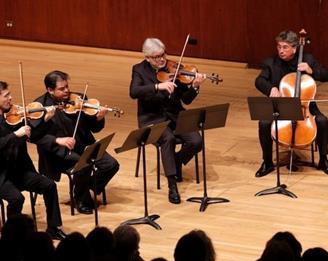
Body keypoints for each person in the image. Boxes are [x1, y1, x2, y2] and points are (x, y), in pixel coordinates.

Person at [130, 38, 205, 204]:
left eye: (163, 54)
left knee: (197, 141)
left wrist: (195, 87)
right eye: (156, 57)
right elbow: (134, 92)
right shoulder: (139, 70)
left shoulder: (175, 68)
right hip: (152, 118)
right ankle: (172, 186)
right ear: (147, 57)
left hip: (175, 115)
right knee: (168, 139)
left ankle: (176, 161)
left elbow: (186, 100)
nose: (162, 59)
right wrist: (158, 86)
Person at [33, 71, 119, 214]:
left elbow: (94, 128)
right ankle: (81, 199)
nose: (67, 90)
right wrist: (57, 139)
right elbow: (35, 136)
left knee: (111, 165)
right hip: (58, 152)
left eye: (67, 86)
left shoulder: (80, 99)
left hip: (83, 145)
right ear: (50, 90)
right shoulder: (40, 106)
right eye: (61, 89)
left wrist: (99, 118)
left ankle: (86, 190)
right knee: (83, 166)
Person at [254, 30, 328, 177]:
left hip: (305, 106)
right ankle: (267, 162)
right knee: (264, 123)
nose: (281, 51)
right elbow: (259, 81)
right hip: (281, 105)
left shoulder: (307, 59)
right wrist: (271, 88)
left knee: (322, 121)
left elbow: (327, 76)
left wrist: (311, 70)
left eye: (285, 47)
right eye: (279, 47)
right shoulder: (271, 62)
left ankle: (323, 159)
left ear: (295, 48)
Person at [0, 81, 66, 240]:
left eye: (10, 94)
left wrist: (45, 120)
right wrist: (15, 135)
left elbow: (33, 136)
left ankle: (53, 227)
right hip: (1, 175)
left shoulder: (15, 115)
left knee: (49, 185)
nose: (11, 98)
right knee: (17, 198)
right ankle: (11, 236)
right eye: (6, 95)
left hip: (20, 170)